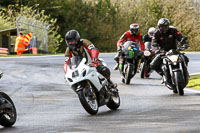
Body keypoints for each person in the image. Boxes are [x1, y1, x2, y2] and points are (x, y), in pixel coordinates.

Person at [150, 18, 189, 84]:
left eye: (164, 27)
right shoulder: (156, 33)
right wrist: (155, 48)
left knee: (185, 59)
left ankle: (185, 74)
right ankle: (164, 75)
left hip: (174, 51)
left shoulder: (173, 30)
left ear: (168, 26)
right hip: (163, 52)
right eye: (161, 27)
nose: (163, 28)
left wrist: (184, 43)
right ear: (158, 26)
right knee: (153, 65)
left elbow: (180, 37)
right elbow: (154, 41)